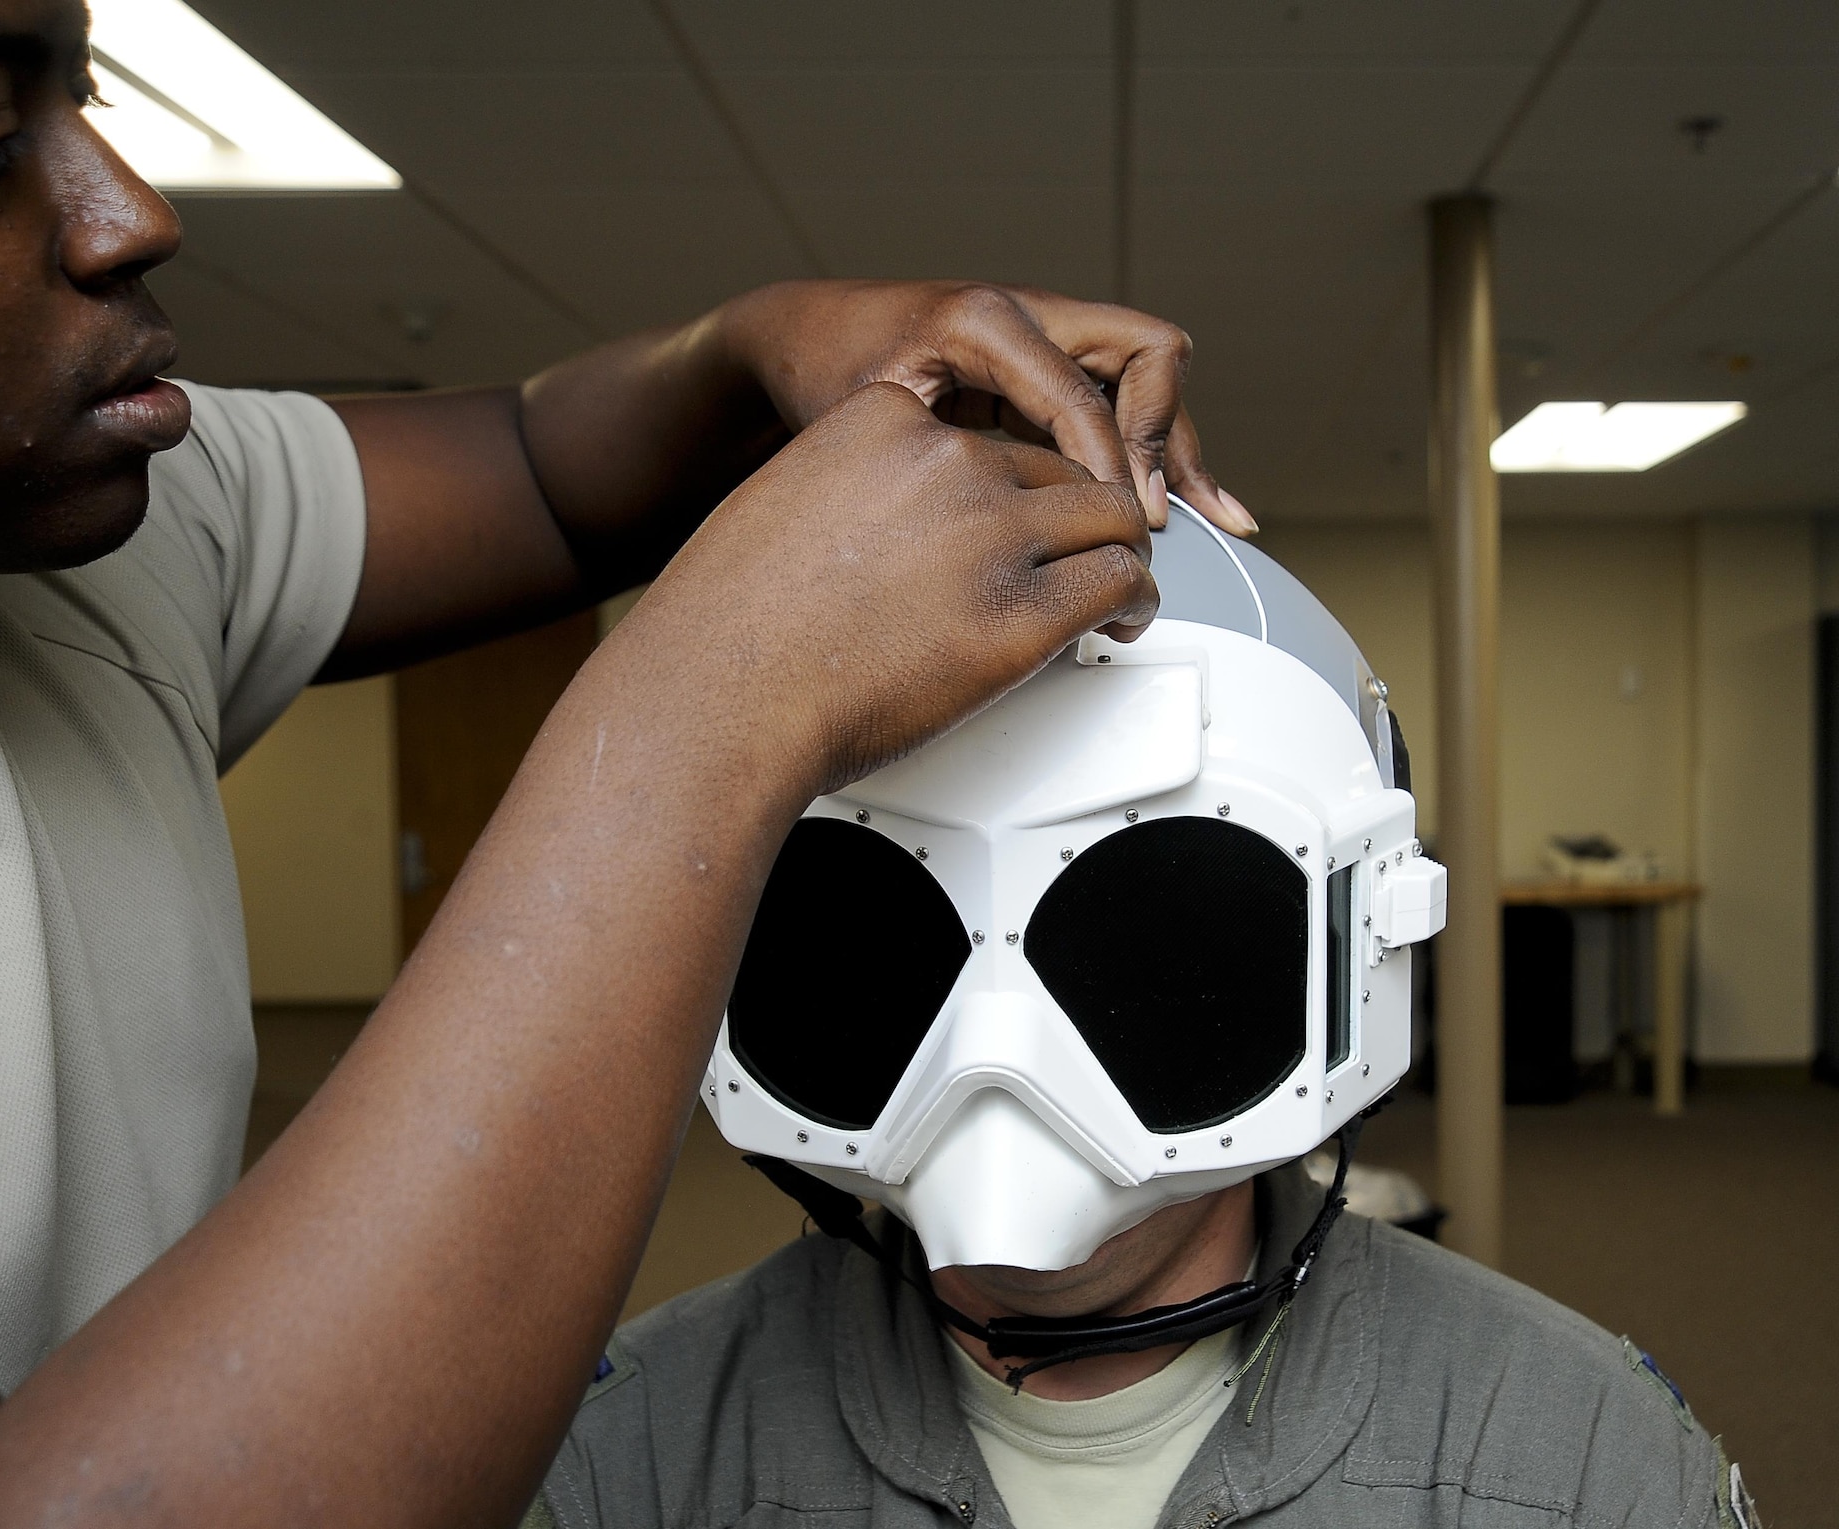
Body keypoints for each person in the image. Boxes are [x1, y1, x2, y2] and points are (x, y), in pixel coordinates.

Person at [0, 0, 1258, 1523]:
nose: (136, 214)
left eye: (93, 92)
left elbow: (536, 463)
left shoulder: (118, 534)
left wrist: (762, 339)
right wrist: (713, 706)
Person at [526, 510, 1762, 1529]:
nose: (995, 1068)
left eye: (1140, 948)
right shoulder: (610, 1458)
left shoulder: (1581, 1466)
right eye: (891, 936)